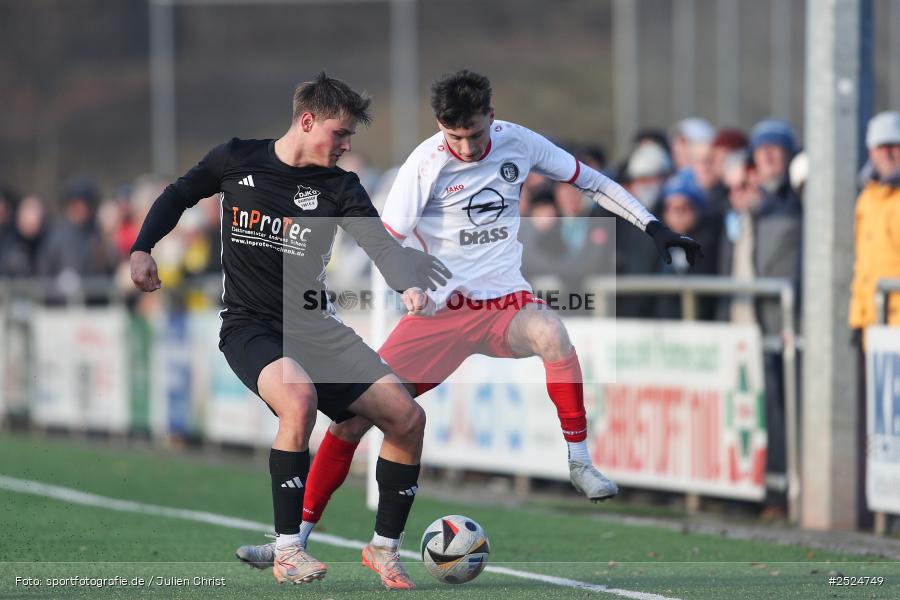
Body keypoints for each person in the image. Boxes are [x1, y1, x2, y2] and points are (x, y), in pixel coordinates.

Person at [235, 69, 702, 579]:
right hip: (438, 316)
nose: (465, 146)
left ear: (491, 117)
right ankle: (294, 541)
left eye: (474, 134)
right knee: (353, 421)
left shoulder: (518, 142)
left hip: (504, 304)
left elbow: (591, 181)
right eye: (453, 136)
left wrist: (653, 226)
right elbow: (385, 240)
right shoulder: (424, 163)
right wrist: (407, 286)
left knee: (551, 332)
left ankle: (580, 461)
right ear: (441, 126)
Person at [130, 72, 450, 588]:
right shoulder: (236, 158)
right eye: (340, 133)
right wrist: (142, 247)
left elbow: (379, 245)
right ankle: (287, 550)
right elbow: (179, 194)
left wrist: (407, 284)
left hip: (315, 327)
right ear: (306, 121)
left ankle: (384, 549)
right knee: (298, 401)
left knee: (407, 418)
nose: (346, 146)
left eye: (350, 137)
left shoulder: (340, 186)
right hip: (250, 327)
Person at [848, 110, 900, 527]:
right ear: (871, 151)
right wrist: (858, 316)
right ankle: (882, 513)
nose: (891, 153)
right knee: (878, 432)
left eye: (896, 146)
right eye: (884, 147)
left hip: (896, 328)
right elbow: (863, 266)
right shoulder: (867, 198)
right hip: (874, 330)